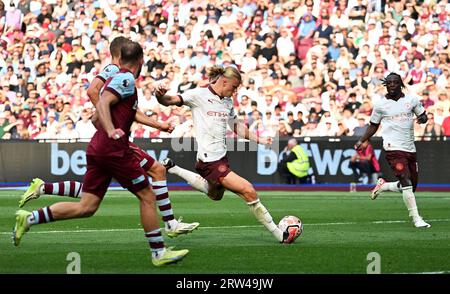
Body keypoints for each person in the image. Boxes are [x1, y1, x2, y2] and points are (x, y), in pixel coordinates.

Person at [13, 41, 189, 266]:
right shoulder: (125, 79)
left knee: (86, 206)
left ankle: (28, 219)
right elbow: (103, 103)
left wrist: (111, 126)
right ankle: (158, 252)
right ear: (141, 61)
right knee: (147, 195)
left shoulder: (118, 81)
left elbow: (97, 114)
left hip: (99, 148)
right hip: (114, 150)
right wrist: (112, 130)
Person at [155, 66, 296, 244]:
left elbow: (236, 126)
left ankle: (173, 167)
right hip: (210, 161)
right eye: (234, 87)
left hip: (220, 159)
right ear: (224, 81)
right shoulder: (198, 95)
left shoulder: (227, 102)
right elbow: (169, 100)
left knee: (215, 195)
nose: (235, 91)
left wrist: (258, 139)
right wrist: (159, 95)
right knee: (248, 191)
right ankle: (280, 235)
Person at [355, 72, 430, 228]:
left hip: (410, 147)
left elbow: (423, 116)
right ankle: (416, 218)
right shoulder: (381, 104)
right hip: (392, 148)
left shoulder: (412, 100)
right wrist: (363, 139)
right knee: (406, 181)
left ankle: (384, 186)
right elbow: (374, 125)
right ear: (386, 85)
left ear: (400, 84)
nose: (391, 85)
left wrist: (422, 119)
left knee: (410, 186)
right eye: (388, 83)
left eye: (395, 82)